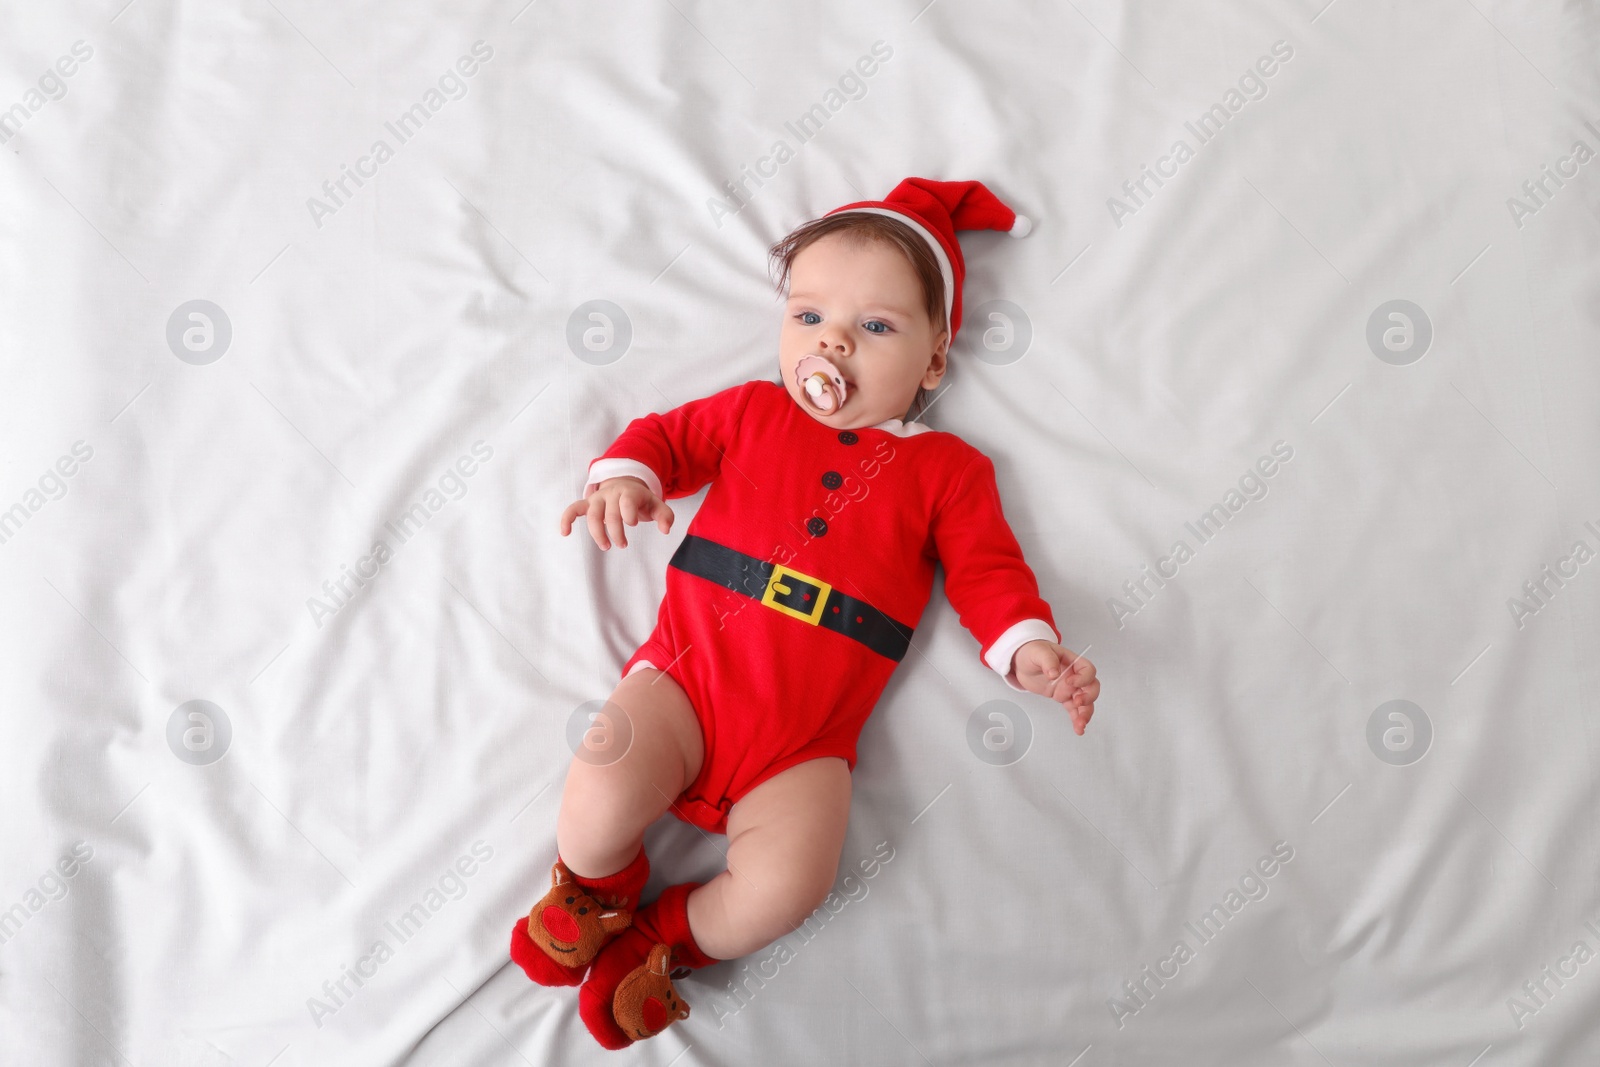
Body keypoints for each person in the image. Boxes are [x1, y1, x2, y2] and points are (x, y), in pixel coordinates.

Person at [513, 178, 1101, 1049]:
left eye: (876, 327)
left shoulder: (948, 471)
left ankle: (663, 938)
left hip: (806, 742)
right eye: (808, 316)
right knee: (598, 789)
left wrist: (1028, 648)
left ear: (933, 361)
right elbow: (665, 439)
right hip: (686, 677)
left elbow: (989, 572)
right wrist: (627, 478)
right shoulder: (752, 413)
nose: (832, 343)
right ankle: (599, 886)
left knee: (791, 884)